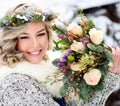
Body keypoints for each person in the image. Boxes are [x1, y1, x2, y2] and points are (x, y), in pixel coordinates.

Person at [0, 3, 66, 106]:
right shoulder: (16, 85)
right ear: (12, 40)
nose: (35, 45)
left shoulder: (51, 67)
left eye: (40, 34)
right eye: (24, 37)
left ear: (48, 35)